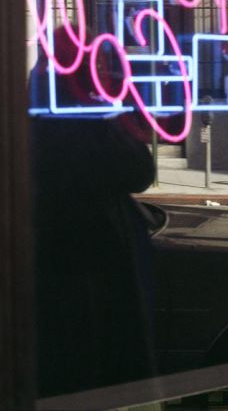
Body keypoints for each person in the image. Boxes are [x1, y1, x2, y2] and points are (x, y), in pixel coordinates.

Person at [30, 25, 158, 397]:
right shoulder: (79, 118)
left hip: (68, 265)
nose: (104, 69)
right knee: (96, 367)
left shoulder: (43, 108)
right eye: (97, 61)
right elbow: (138, 170)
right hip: (91, 271)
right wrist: (110, 109)